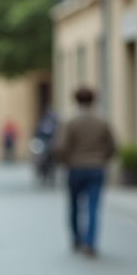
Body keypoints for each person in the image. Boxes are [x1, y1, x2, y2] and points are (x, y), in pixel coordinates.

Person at [54, 86, 116, 257]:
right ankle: (90, 242)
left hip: (75, 168)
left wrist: (65, 161)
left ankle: (77, 238)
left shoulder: (70, 121)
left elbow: (61, 147)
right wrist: (102, 158)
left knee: (74, 205)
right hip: (96, 168)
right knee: (93, 207)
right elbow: (112, 146)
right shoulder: (102, 121)